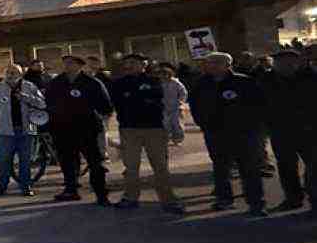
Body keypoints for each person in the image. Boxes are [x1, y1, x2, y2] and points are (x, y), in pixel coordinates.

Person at [189, 52, 268, 216]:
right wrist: (203, 124)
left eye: (217, 63)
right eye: (210, 63)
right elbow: (195, 106)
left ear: (228, 65)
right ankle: (224, 199)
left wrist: (254, 128)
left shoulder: (243, 82)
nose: (213, 66)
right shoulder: (201, 84)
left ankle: (256, 203)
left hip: (243, 134)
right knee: (220, 168)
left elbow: (258, 105)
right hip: (215, 133)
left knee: (249, 169)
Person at [109, 53, 185, 215]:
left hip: (154, 129)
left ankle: (168, 200)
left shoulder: (155, 81)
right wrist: (141, 99)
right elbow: (118, 103)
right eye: (127, 63)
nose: (129, 66)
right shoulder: (118, 83)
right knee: (130, 167)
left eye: (134, 63)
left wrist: (134, 98)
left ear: (144, 64)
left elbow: (159, 100)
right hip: (129, 129)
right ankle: (130, 198)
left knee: (160, 166)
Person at [43, 54, 113, 205]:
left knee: (95, 162)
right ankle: (71, 189)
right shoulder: (56, 83)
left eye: (70, 63)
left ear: (80, 65)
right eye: (65, 63)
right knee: (68, 161)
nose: (66, 66)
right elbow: (47, 103)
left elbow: (105, 105)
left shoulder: (91, 83)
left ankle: (101, 193)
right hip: (63, 128)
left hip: (87, 128)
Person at [258, 48, 317, 212]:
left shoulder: (310, 77)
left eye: (290, 61)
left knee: (313, 166)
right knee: (286, 167)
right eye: (281, 62)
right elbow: (259, 104)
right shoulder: (266, 79)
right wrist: (266, 124)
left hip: (310, 131)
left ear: (297, 62)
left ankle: (314, 198)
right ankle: (293, 198)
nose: (286, 64)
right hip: (280, 131)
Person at [0, 64, 44, 196]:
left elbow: (42, 103)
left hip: (29, 128)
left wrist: (25, 97)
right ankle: (2, 185)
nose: (11, 75)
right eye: (8, 72)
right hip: (6, 130)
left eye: (14, 72)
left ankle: (26, 185)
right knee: (4, 160)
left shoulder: (29, 86)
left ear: (20, 74)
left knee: (26, 160)